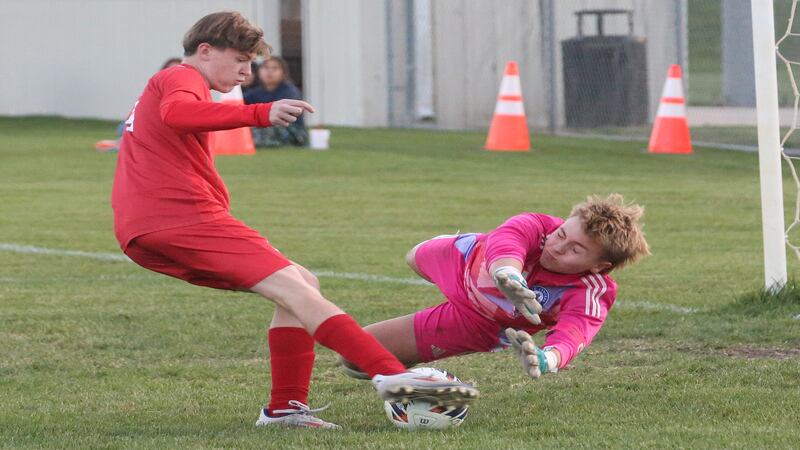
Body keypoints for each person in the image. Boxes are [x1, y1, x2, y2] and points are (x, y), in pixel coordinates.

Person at [111, 11, 477, 430]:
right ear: (205, 51)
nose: (247, 73)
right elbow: (179, 115)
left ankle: (285, 409)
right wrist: (260, 114)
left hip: (157, 224)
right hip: (179, 218)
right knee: (293, 286)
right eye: (240, 60)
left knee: (301, 282)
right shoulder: (180, 78)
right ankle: (392, 375)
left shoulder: (177, 84)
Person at [342, 194, 650, 381]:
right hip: (463, 261)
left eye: (575, 250)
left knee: (355, 356)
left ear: (599, 266)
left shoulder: (591, 290)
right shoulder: (538, 225)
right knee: (413, 254)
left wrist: (549, 359)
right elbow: (509, 241)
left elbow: (576, 332)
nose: (558, 246)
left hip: (480, 323)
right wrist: (509, 275)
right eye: (561, 234)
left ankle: (416, 371)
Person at [244, 56, 308, 147]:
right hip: (262, 128)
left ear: (283, 73)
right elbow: (240, 109)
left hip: (291, 130)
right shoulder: (254, 92)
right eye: (266, 67)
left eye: (275, 68)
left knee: (263, 132)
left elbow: (282, 118)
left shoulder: (289, 92)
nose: (270, 72)